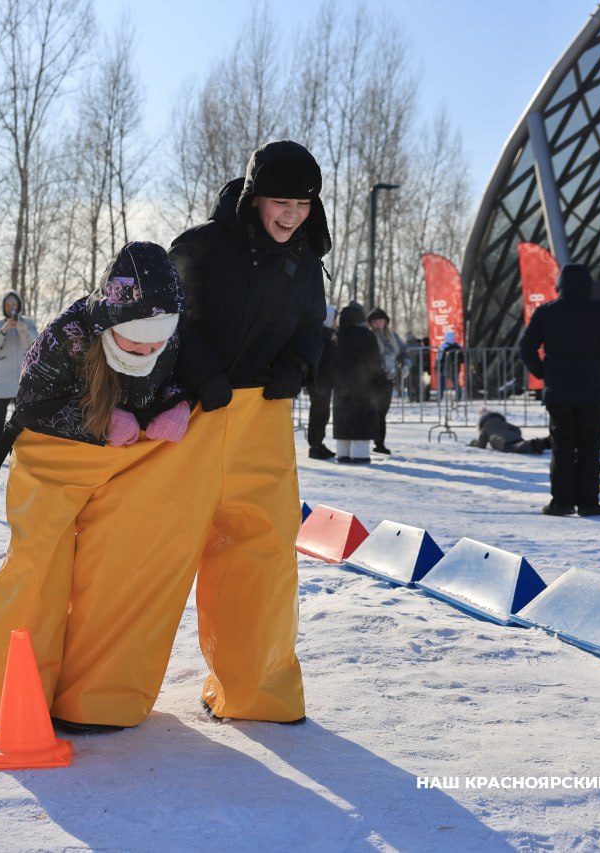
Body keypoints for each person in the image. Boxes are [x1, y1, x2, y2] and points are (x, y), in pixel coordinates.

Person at [0, 241, 196, 734]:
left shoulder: (169, 337)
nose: (147, 353)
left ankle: (97, 697)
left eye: (155, 346)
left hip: (122, 461)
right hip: (53, 457)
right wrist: (98, 422)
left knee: (120, 568)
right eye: (135, 345)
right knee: (40, 566)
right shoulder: (67, 335)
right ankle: (2, 695)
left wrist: (175, 402)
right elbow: (32, 405)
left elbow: (175, 378)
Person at [169, 140, 329, 724]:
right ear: (254, 197)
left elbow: (311, 324)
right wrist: (202, 373)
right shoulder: (201, 247)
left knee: (259, 554)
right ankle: (105, 689)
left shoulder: (304, 258)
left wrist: (297, 365)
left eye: (303, 204)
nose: (292, 214)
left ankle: (256, 689)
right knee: (159, 550)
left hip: (261, 417)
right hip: (189, 416)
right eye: (281, 201)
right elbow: (167, 319)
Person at [519, 263, 600, 516]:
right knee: (590, 447)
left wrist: (543, 373)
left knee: (562, 446)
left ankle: (561, 502)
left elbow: (526, 347)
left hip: (559, 390)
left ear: (560, 285)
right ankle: (589, 503)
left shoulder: (546, 312)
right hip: (591, 389)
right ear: (588, 285)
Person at [0, 291, 37, 465]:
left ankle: (21, 454)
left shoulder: (28, 322)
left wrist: (22, 328)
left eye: (13, 304)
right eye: (8, 305)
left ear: (18, 305)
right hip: (2, 380)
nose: (11, 308)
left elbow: (35, 343)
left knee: (21, 420)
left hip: (23, 379)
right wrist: (4, 329)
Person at [331, 302, 387, 464]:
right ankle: (360, 454)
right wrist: (378, 379)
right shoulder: (367, 336)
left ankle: (343, 452)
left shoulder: (337, 336)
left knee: (343, 420)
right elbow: (374, 361)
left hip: (341, 385)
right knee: (361, 419)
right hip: (363, 384)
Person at [367, 307, 410, 454]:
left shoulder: (393, 337)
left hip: (388, 380)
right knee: (373, 411)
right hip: (372, 381)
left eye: (381, 321)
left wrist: (405, 365)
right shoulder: (369, 336)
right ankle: (371, 439)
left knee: (382, 412)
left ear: (385, 322)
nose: (378, 324)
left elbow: (404, 353)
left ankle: (379, 442)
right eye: (375, 321)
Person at [306, 305, 337, 460]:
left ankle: (318, 443)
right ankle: (315, 445)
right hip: (320, 383)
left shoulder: (326, 334)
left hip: (322, 382)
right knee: (319, 414)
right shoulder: (322, 335)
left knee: (322, 414)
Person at [469, 408, 550, 454]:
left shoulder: (485, 428)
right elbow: (516, 429)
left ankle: (538, 444)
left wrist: (473, 443)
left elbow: (481, 444)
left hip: (503, 442)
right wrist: (515, 435)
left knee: (516, 448)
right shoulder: (502, 422)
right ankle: (542, 443)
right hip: (515, 437)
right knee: (520, 445)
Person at [437, 329, 464, 401]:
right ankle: (458, 397)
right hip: (455, 367)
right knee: (455, 382)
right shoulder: (458, 346)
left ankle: (439, 397)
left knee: (442, 383)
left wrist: (438, 367)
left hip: (445, 367)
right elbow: (462, 358)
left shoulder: (443, 346)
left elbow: (439, 358)